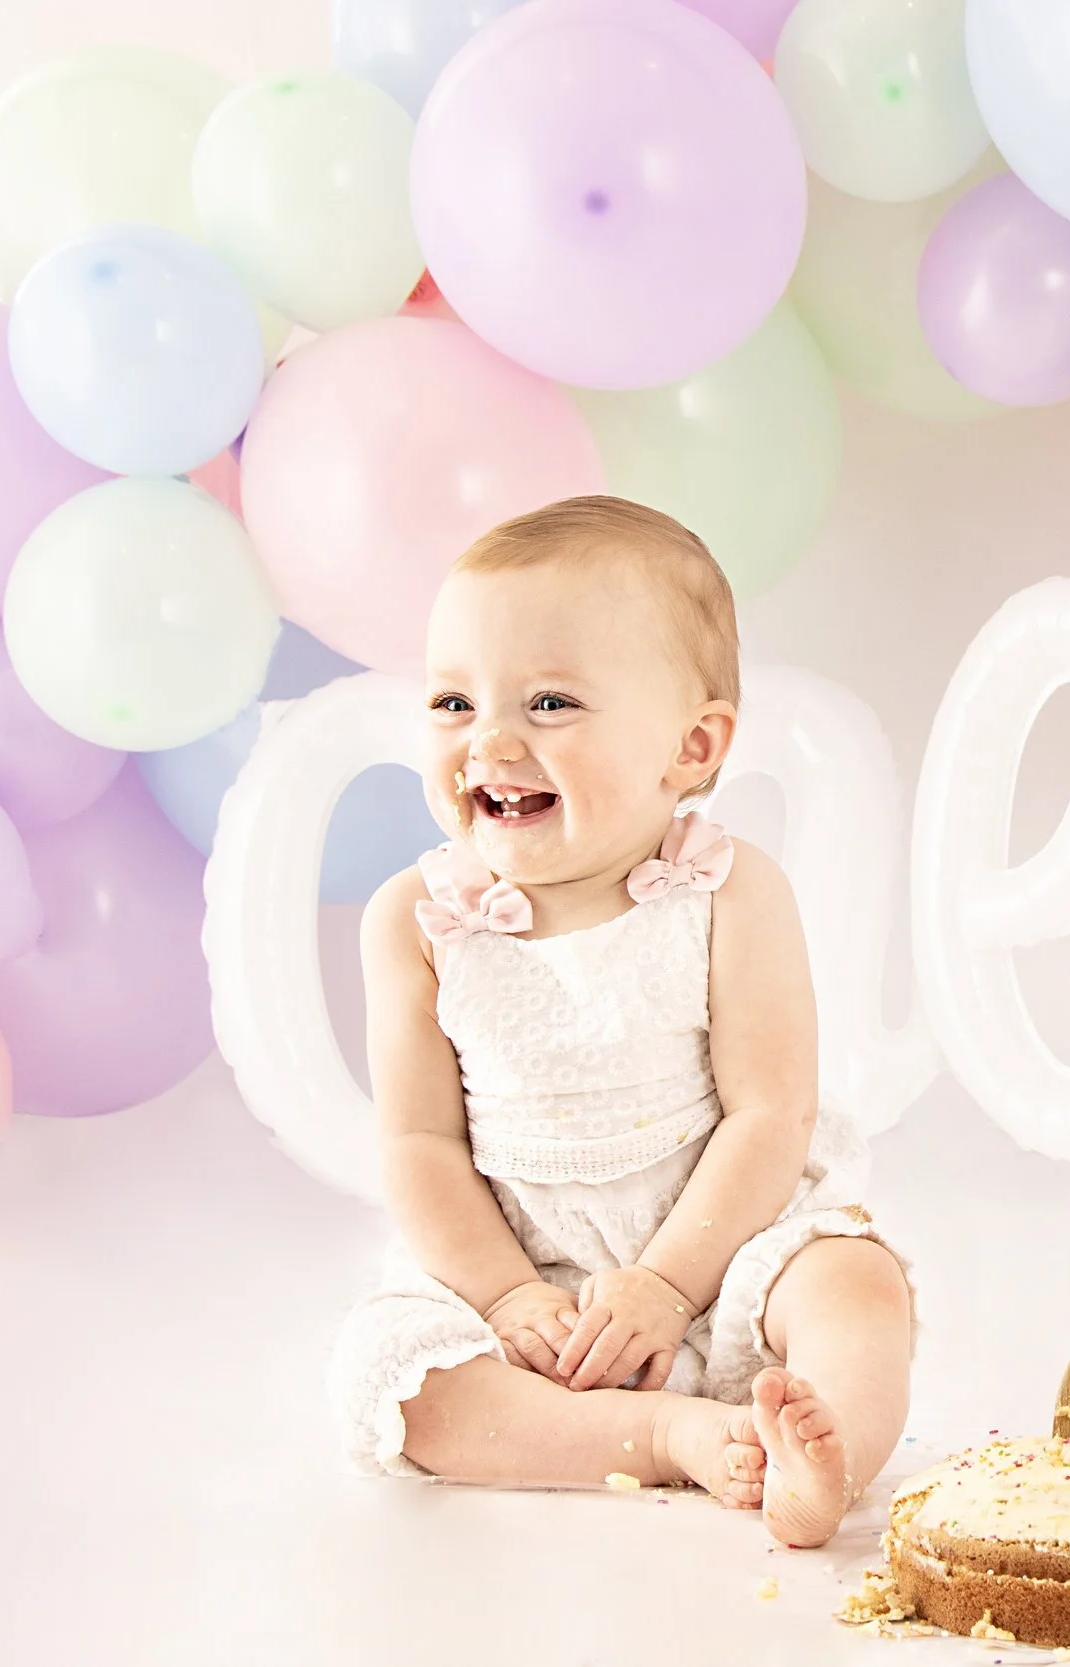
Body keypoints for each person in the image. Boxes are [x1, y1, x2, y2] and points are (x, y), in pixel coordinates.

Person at [327, 496, 911, 1550]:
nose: (489, 739)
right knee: (403, 1386)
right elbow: (419, 1144)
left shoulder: (727, 892)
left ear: (690, 745)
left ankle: (820, 1458)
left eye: (548, 701)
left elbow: (769, 1114)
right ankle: (658, 1434)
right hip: (527, 1279)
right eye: (454, 701)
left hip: (725, 1248)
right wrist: (505, 1296)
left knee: (857, 1285)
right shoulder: (418, 923)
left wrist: (668, 1283)